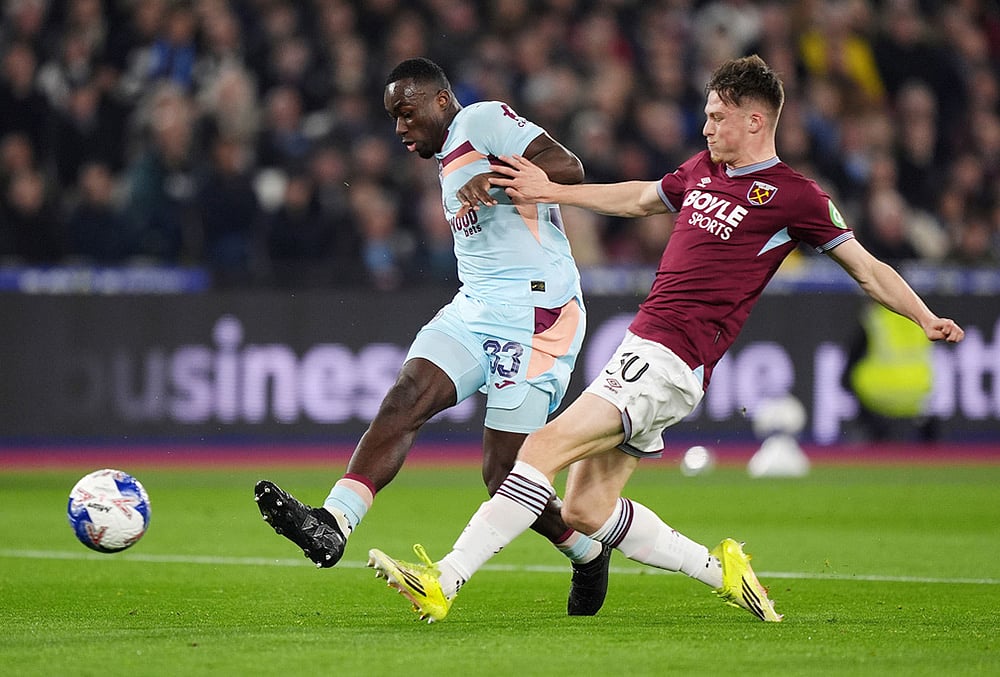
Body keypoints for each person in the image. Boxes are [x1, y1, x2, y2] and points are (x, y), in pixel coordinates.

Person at [367, 55, 966, 623]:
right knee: (586, 509)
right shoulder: (702, 170)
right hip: (643, 349)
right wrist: (553, 191)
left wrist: (923, 316)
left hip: (674, 359)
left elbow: (867, 268)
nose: (705, 126)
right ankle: (722, 571)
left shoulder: (795, 195)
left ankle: (445, 580)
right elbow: (636, 197)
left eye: (717, 116)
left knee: (538, 449)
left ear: (755, 121)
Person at [254, 57, 612, 616]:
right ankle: (333, 523)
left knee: (504, 476)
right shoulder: (446, 157)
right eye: (393, 118)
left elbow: (570, 169)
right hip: (476, 307)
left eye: (407, 112)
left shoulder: (483, 120)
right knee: (405, 398)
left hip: (537, 315)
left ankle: (588, 552)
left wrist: (495, 177)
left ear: (441, 100)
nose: (400, 127)